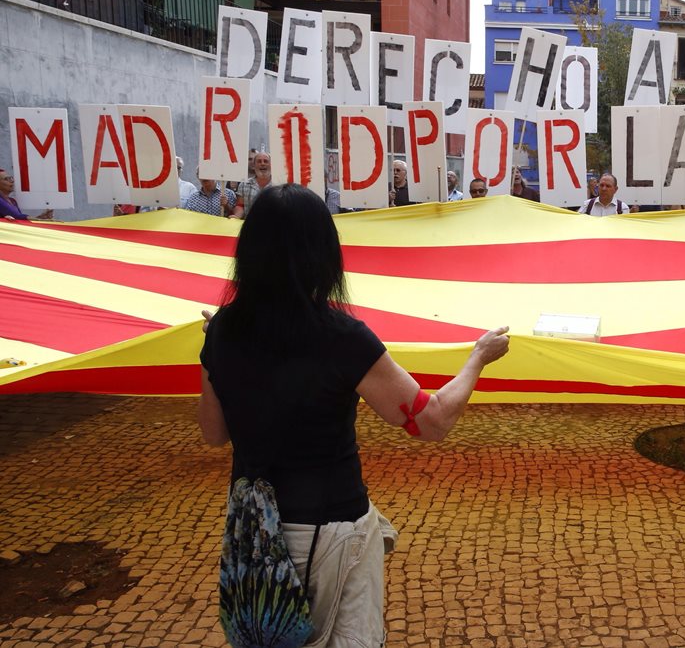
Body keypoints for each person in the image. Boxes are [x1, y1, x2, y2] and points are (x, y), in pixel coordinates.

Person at [197, 184, 509, 646]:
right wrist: (478, 358)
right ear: (322, 253)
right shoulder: (342, 337)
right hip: (331, 532)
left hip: (254, 534)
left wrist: (214, 352)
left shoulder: (221, 330)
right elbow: (432, 420)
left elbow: (213, 433)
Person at [233, 151, 272, 219]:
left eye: (265, 161)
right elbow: (240, 206)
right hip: (250, 227)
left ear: (271, 164)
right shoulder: (244, 184)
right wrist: (236, 216)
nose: (262, 164)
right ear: (254, 165)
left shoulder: (279, 185)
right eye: (259, 161)